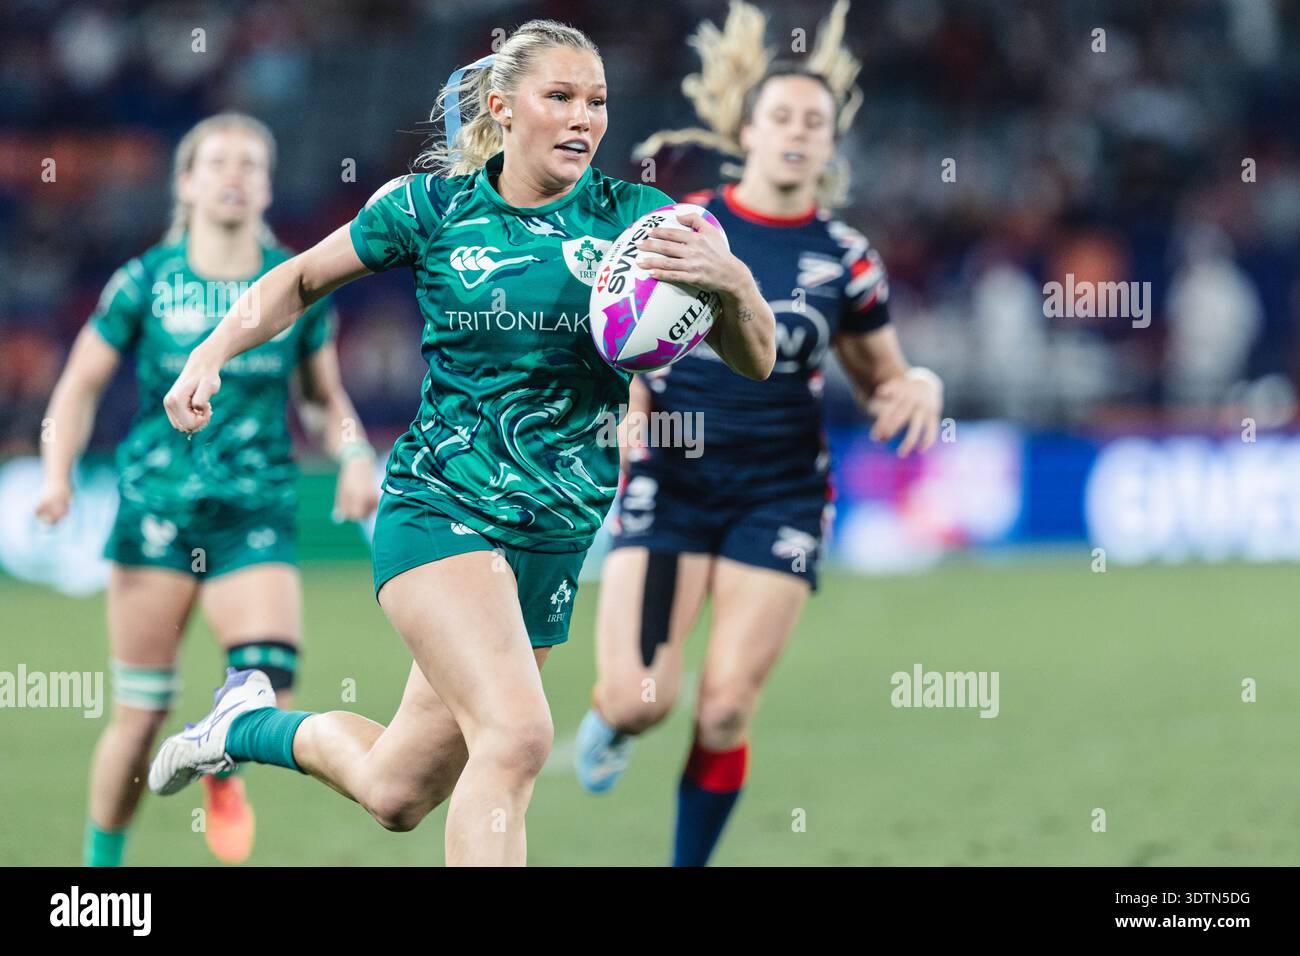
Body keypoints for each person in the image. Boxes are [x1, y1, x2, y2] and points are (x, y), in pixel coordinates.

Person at [146, 19, 776, 867]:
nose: (583, 118)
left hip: (554, 536)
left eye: (596, 101)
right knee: (516, 738)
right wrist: (212, 353)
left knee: (397, 791)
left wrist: (734, 285)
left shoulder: (645, 221)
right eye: (559, 97)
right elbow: (297, 278)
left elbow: (757, 358)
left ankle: (243, 722)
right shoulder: (432, 207)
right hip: (441, 509)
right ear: (501, 107)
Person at [573, 0, 944, 866]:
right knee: (642, 700)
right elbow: (614, 331)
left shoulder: (846, 256)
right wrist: (624, 414)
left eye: (815, 121)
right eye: (782, 115)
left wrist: (918, 383)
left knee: (728, 705)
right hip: (673, 481)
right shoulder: (680, 224)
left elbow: (883, 375)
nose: (798, 132)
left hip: (780, 492)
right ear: (748, 126)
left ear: (830, 141)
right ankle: (612, 718)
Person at [36, 112, 378, 866]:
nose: (235, 175)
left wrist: (355, 455)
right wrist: (57, 473)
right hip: (154, 518)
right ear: (185, 183)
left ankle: (220, 754)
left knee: (272, 693)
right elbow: (78, 387)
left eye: (251, 165)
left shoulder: (292, 281)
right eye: (217, 162)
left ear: (266, 185)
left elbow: (323, 400)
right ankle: (101, 872)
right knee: (139, 715)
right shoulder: (146, 280)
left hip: (253, 513)